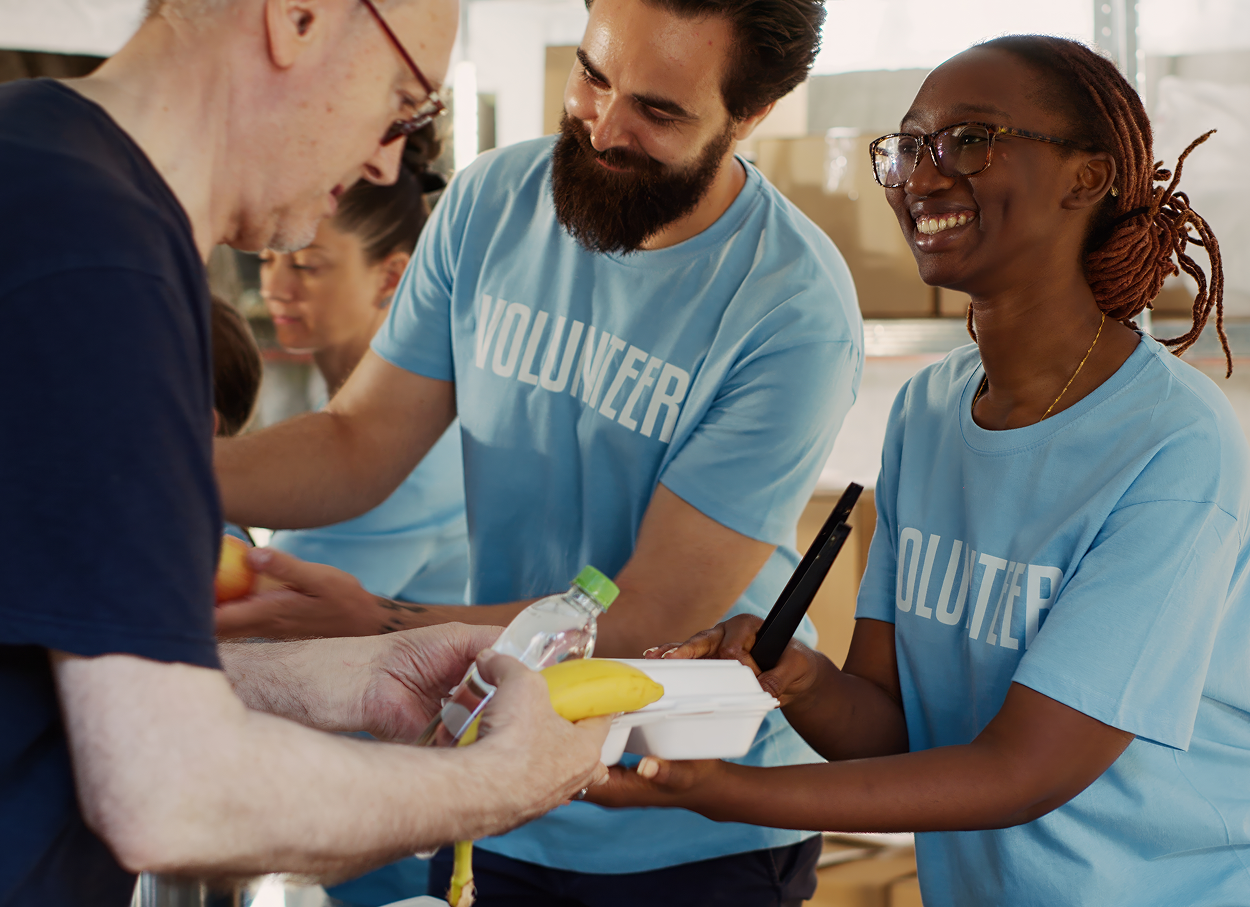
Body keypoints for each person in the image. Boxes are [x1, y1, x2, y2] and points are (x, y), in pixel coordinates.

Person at [213, 0, 863, 900]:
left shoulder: (791, 308)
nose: (604, 125)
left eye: (659, 111)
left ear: (751, 114)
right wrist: (146, 473)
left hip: (687, 826)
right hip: (492, 778)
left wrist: (380, 627)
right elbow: (357, 442)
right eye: (593, 74)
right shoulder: (491, 203)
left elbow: (645, 612)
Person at [588, 34, 1250, 907]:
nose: (922, 176)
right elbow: (891, 728)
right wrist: (804, 682)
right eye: (907, 146)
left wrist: (724, 791)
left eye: (969, 140)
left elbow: (1026, 770)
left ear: (1086, 178)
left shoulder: (1174, 440)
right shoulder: (932, 410)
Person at [0, 1, 610, 903]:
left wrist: (354, 681)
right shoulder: (103, 266)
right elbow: (172, 791)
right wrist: (501, 783)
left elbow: (69, 664)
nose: (386, 159)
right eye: (402, 106)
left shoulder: (34, 155)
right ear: (297, 19)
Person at [252, 125, 470, 626]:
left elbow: (261, 608)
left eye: (307, 266)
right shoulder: (343, 405)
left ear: (392, 275)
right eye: (266, 258)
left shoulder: (410, 457)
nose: (275, 287)